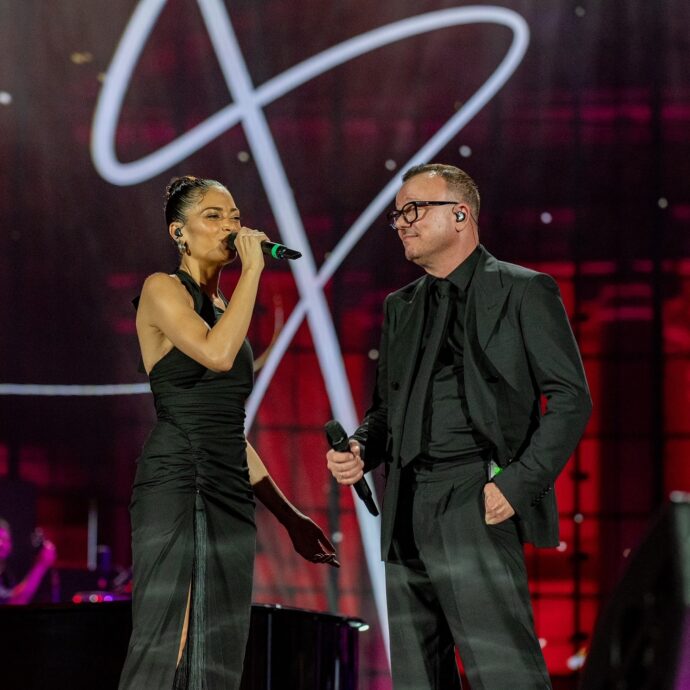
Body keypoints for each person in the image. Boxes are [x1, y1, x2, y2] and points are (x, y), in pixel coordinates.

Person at [327, 164, 592, 689]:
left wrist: (514, 487)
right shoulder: (400, 306)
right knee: (418, 677)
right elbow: (386, 410)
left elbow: (570, 399)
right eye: (396, 215)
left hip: (477, 496)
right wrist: (360, 446)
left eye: (413, 210)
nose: (402, 223)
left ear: (460, 214)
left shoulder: (523, 290)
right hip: (406, 502)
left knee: (503, 671)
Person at [119, 176, 338, 690]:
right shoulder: (162, 288)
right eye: (214, 216)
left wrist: (290, 516)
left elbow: (230, 432)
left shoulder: (225, 311)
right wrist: (256, 269)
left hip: (228, 487)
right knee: (169, 636)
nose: (231, 226)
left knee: (219, 645)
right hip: (178, 477)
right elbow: (216, 356)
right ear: (180, 232)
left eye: (235, 215)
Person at [0, 518, 57, 605]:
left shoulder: (7, 575)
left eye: (4, 539)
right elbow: (13, 603)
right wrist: (42, 564)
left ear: (10, 545)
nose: (0, 544)